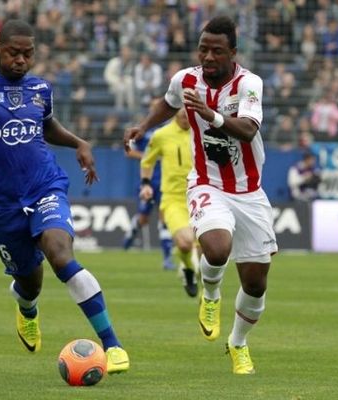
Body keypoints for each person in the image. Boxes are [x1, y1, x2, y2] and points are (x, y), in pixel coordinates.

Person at [0, 19, 129, 374]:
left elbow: (47, 125)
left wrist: (79, 142)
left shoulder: (40, 88)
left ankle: (113, 345)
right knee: (29, 281)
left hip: (45, 186)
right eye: (13, 53)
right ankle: (27, 309)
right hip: (2, 204)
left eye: (28, 54)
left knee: (59, 253)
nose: (21, 60)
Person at [124, 15, 278, 375]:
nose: (208, 57)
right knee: (217, 247)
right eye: (203, 49)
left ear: (233, 53)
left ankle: (238, 343)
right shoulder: (186, 79)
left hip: (249, 192)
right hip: (207, 183)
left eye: (217, 51)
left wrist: (211, 115)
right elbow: (168, 101)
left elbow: (248, 128)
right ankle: (210, 295)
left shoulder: (248, 84)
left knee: (255, 285)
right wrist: (143, 126)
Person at [140, 108, 199, 296]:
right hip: (173, 198)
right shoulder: (161, 135)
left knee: (207, 255)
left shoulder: (202, 131)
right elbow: (147, 161)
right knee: (184, 243)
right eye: (180, 111)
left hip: (201, 197)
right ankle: (188, 270)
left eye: (187, 112)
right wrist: (146, 184)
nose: (184, 115)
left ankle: (191, 268)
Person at [123, 98, 175, 271]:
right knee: (144, 218)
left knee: (165, 217)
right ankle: (132, 231)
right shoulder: (144, 130)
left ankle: (167, 258)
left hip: (168, 179)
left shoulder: (171, 129)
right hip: (149, 179)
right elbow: (129, 152)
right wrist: (148, 156)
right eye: (153, 107)